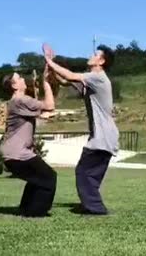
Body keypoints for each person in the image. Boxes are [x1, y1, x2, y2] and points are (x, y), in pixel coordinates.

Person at [45, 45, 118, 215]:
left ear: (101, 61)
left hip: (103, 137)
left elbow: (70, 75)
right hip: (104, 136)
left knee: (83, 172)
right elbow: (65, 81)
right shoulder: (91, 81)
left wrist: (49, 60)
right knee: (90, 175)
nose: (91, 56)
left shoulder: (98, 77)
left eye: (95, 54)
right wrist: (51, 66)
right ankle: (92, 205)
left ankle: (95, 208)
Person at [0, 68, 57, 217]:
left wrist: (43, 115)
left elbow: (41, 112)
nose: (23, 80)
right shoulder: (20, 100)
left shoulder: (16, 103)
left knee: (36, 179)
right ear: (14, 86)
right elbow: (50, 105)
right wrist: (46, 83)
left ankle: (26, 208)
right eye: (19, 79)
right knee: (49, 177)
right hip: (18, 154)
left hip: (12, 154)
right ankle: (36, 212)